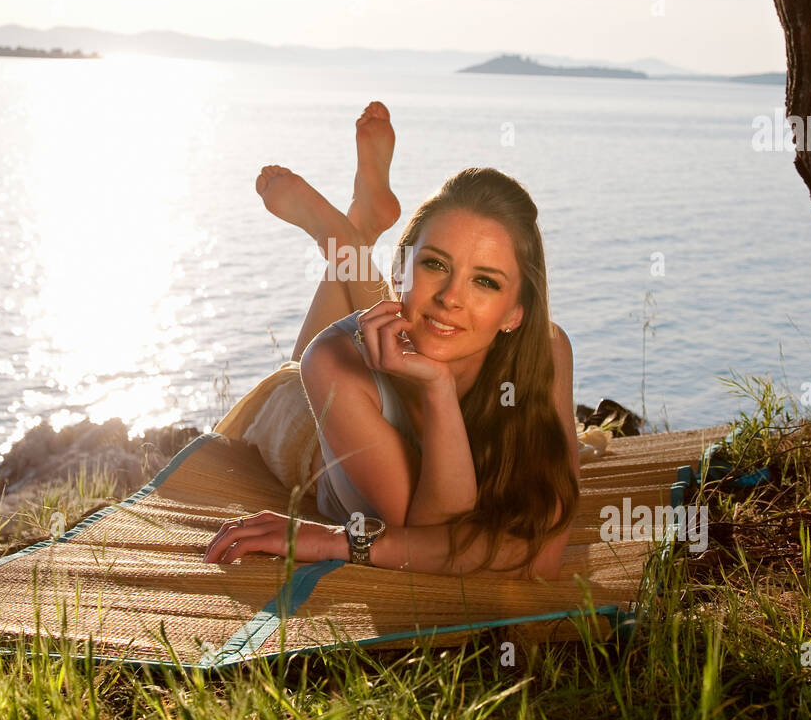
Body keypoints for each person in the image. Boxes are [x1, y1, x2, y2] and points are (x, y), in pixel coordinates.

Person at [203, 102, 581, 581]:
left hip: (376, 348)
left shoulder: (546, 350)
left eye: (485, 282)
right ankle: (346, 231)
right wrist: (439, 389)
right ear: (401, 267)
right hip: (302, 425)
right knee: (307, 364)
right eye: (435, 264)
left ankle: (353, 227)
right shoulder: (334, 363)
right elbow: (426, 536)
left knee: (418, 318)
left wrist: (332, 540)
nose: (451, 297)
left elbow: (542, 554)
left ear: (516, 312)